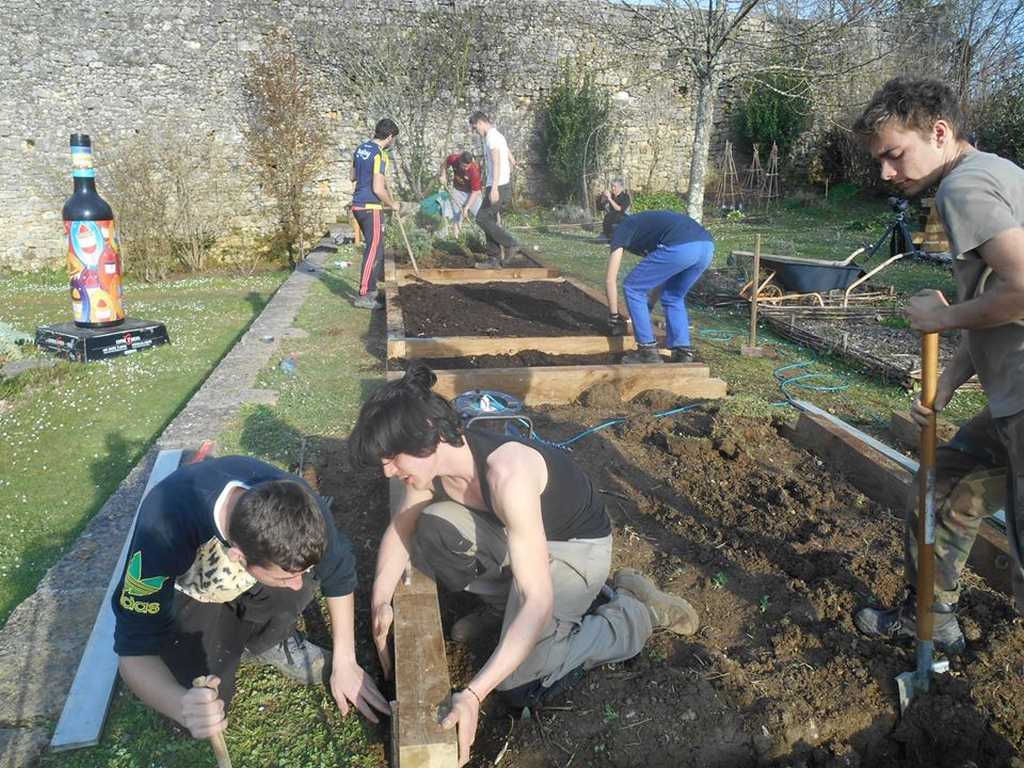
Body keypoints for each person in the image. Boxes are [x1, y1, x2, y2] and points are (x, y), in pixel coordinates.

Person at [349, 364, 699, 766]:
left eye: (392, 459)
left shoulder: (507, 473)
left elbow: (536, 600)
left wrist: (474, 694)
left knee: (519, 682)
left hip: (573, 547)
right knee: (434, 530)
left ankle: (633, 612)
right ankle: (504, 614)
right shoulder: (429, 470)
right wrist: (380, 601)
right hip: (525, 542)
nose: (386, 470)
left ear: (428, 435)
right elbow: (402, 529)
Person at [851, 77, 1024, 654]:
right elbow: (996, 308)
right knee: (943, 480)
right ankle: (930, 616)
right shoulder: (997, 173)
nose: (886, 173)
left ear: (940, 133)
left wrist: (939, 320)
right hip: (1011, 395)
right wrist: (945, 387)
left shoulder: (964, 190)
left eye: (894, 154)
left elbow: (1023, 292)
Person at [112, 456, 389, 743]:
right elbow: (133, 653)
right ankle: (221, 635)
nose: (298, 585)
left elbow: (339, 573)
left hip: (244, 569)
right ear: (238, 557)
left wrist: (345, 661)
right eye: (286, 576)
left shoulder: (301, 507)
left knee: (294, 589)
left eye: (301, 572)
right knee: (203, 705)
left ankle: (264, 639)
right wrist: (182, 705)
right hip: (191, 591)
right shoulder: (162, 531)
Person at [605, 210, 714, 365]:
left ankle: (647, 351)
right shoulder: (644, 227)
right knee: (673, 297)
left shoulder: (621, 228)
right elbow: (659, 276)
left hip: (681, 246)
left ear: (611, 230)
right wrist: (648, 305)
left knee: (632, 287)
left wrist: (614, 317)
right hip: (706, 247)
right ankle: (682, 351)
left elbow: (610, 279)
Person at [468, 111, 531, 269]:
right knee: (487, 219)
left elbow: (496, 162)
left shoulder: (491, 138)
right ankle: (493, 259)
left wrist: (494, 188)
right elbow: (506, 149)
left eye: (476, 128)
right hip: (500, 185)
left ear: (481, 122)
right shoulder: (498, 135)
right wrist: (512, 160)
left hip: (498, 186)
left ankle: (511, 244)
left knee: (482, 218)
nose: (476, 132)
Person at [351, 118, 400, 310]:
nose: (393, 142)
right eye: (393, 139)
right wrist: (392, 204)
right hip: (371, 207)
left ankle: (370, 289)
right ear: (389, 137)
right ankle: (365, 294)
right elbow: (378, 189)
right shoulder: (380, 155)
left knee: (375, 249)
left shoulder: (360, 149)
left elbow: (352, 176)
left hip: (357, 206)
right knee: (374, 250)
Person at [439, 151, 483, 237]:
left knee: (481, 216)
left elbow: (475, 192)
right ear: (459, 161)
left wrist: (466, 208)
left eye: (467, 166)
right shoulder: (454, 158)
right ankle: (457, 239)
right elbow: (445, 164)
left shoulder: (474, 171)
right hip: (458, 191)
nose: (465, 168)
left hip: (472, 193)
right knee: (457, 217)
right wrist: (443, 175)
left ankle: (485, 239)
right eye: (463, 166)